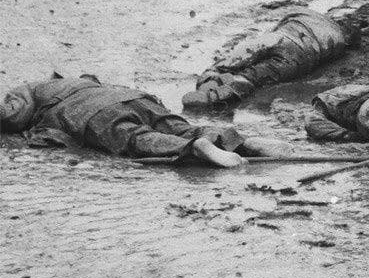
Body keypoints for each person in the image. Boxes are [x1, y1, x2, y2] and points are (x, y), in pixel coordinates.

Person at [0, 75, 276, 168]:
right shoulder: (72, 80)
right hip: (131, 97)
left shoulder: (27, 100)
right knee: (179, 126)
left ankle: (192, 147)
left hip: (93, 114)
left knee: (137, 138)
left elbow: (53, 138)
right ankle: (241, 141)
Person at [182, 8, 360, 113]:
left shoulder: (308, 14)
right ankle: (223, 93)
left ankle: (212, 76)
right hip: (303, 58)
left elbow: (277, 26)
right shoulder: (340, 41)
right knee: (255, 76)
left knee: (237, 58)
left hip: (283, 37)